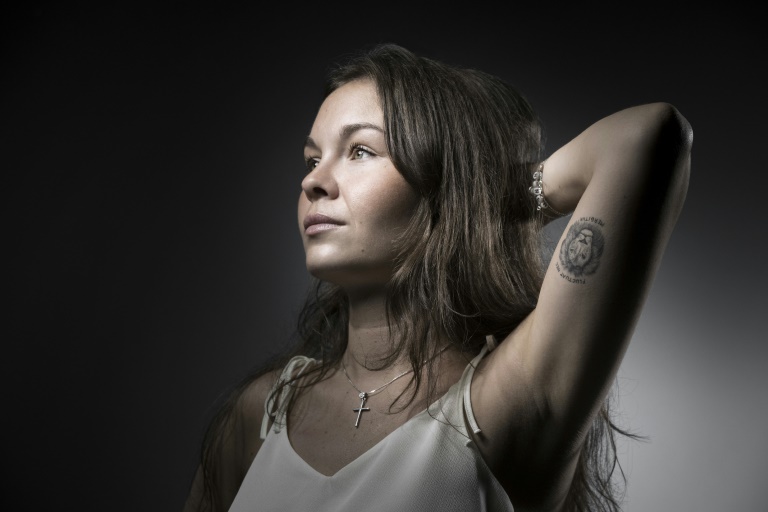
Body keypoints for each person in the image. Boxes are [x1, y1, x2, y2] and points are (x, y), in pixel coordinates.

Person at [183, 43, 692, 511]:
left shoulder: (506, 402)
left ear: (442, 185)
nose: (313, 180)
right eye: (313, 158)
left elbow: (646, 136)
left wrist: (482, 196)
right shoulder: (260, 413)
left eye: (360, 151)